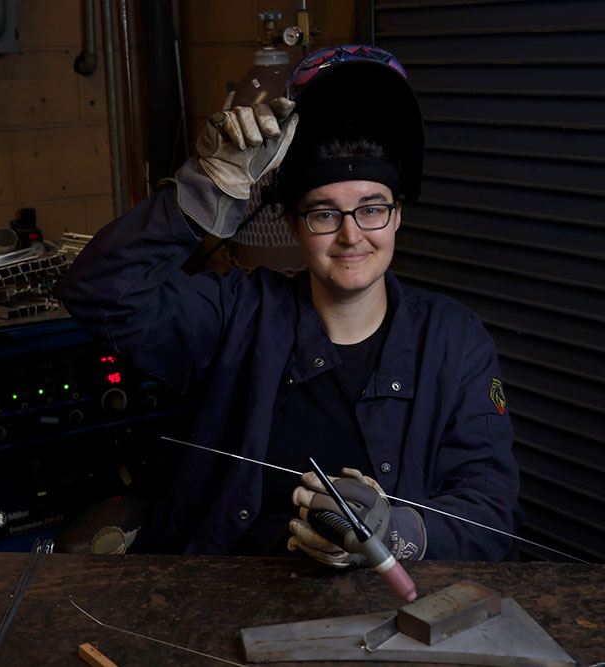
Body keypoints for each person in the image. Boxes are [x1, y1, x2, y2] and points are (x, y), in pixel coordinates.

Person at [60, 45, 522, 565]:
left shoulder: (454, 341)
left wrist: (394, 535)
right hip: (230, 600)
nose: (351, 236)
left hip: (386, 616)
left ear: (397, 218)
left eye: (371, 209)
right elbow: (97, 292)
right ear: (293, 226)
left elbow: (489, 513)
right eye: (325, 214)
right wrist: (202, 192)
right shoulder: (237, 315)